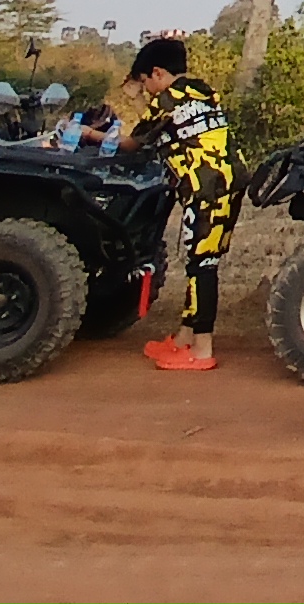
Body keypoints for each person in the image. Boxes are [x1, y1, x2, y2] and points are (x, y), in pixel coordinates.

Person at [78, 36, 242, 372]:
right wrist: (143, 100)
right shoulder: (201, 91)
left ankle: (202, 349)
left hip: (206, 184)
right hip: (228, 180)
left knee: (202, 265)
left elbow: (131, 143)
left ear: (156, 73)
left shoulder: (168, 98)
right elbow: (155, 130)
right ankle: (185, 336)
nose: (145, 89)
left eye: (144, 82)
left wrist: (88, 134)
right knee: (200, 259)